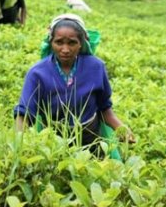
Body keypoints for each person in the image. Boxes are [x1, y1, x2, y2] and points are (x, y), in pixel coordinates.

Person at [14, 14, 135, 152]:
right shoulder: (37, 73)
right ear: (51, 42)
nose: (65, 49)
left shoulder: (96, 67)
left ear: (81, 43)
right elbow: (24, 113)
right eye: (59, 42)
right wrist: (20, 145)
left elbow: (104, 108)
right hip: (53, 142)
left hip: (91, 139)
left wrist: (121, 129)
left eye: (72, 43)